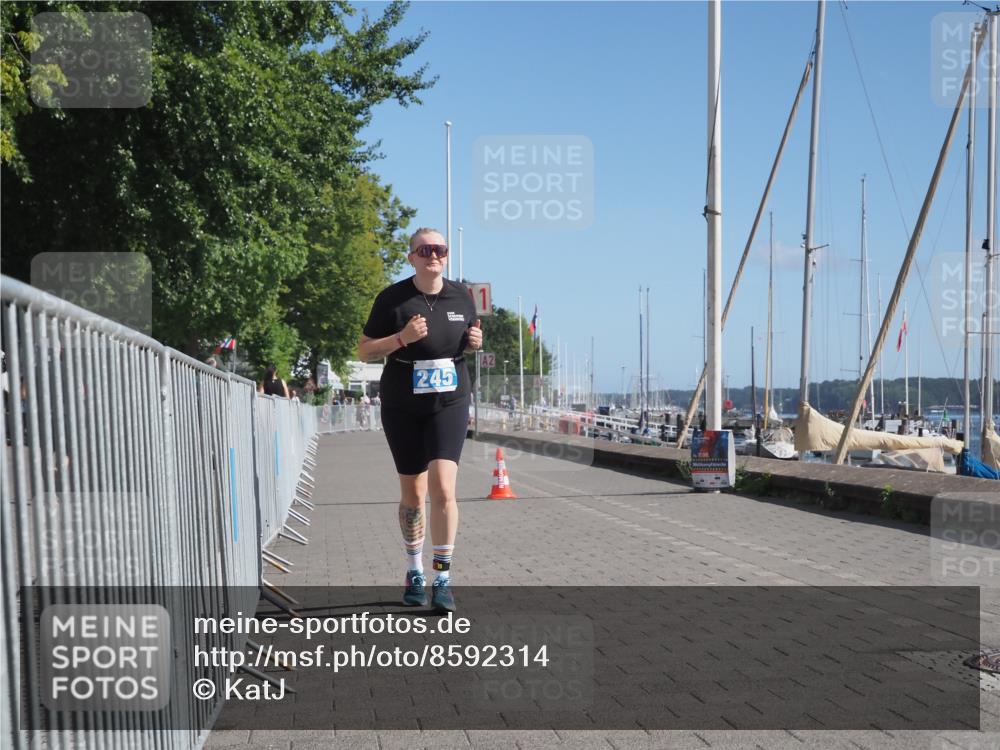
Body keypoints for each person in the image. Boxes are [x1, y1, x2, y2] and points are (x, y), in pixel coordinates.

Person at [357, 227, 482, 612]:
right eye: (424, 249)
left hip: (450, 400)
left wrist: (475, 344)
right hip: (403, 404)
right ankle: (414, 570)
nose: (433, 255)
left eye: (440, 249)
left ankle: (442, 578)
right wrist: (400, 339)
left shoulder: (462, 295)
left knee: (444, 489)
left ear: (447, 255)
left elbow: (468, 338)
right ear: (411, 256)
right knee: (413, 494)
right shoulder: (393, 299)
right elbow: (363, 352)